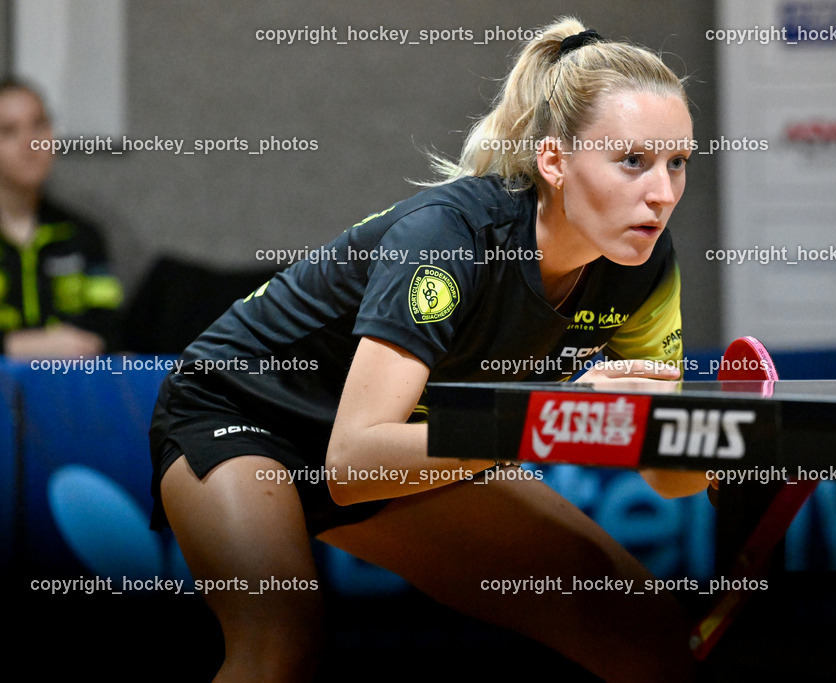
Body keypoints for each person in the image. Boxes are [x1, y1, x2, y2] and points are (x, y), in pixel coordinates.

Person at [151, 17, 708, 682]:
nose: (663, 193)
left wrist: (720, 449)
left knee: (641, 624)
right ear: (554, 161)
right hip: (243, 410)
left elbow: (667, 475)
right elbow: (354, 463)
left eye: (677, 162)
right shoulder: (447, 239)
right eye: (633, 161)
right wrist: (556, 417)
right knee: (279, 644)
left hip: (405, 438)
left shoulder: (645, 265)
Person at [0, 78, 123, 358]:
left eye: (39, 125)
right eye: (9, 131)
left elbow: (110, 330)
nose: (29, 142)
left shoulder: (81, 234)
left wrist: (90, 345)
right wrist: (17, 346)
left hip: (69, 391)